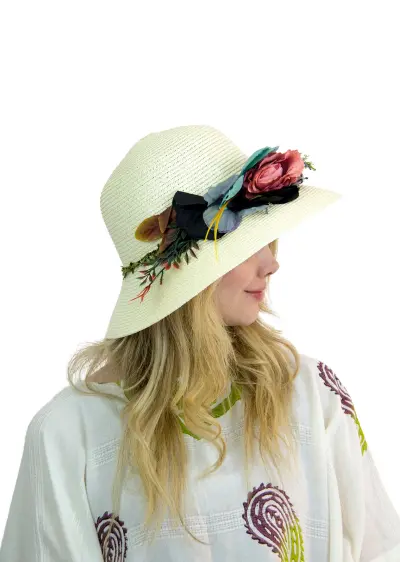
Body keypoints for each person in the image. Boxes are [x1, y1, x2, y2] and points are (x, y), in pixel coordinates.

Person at [1, 125, 400, 562]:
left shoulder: (310, 392)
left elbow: (379, 549)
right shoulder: (68, 433)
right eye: (243, 244)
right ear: (187, 277)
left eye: (266, 239)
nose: (272, 263)